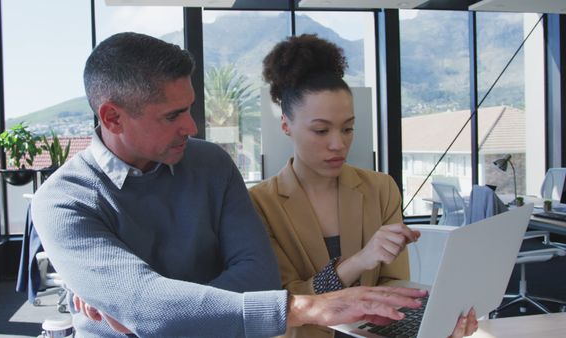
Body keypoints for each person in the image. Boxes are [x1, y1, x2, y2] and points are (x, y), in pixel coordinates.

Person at [31, 32, 427, 337]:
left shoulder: (210, 163)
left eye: (189, 108)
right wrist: (301, 308)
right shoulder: (62, 200)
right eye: (173, 115)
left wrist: (164, 314)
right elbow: (144, 302)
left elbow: (258, 277)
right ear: (113, 118)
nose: (192, 126)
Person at [249, 34, 478, 338]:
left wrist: (431, 326)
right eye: (321, 130)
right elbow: (283, 304)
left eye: (348, 128)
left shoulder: (380, 189)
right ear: (286, 126)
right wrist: (358, 262)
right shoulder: (259, 204)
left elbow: (394, 288)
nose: (338, 143)